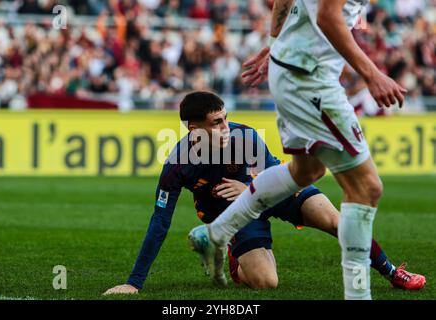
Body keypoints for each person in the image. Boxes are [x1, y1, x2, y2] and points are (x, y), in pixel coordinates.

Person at [103, 91, 424, 295]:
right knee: (267, 283)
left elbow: (275, 178)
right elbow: (160, 221)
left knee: (336, 220)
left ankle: (393, 272)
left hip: (271, 192)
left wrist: (251, 190)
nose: (226, 127)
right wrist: (134, 282)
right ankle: (235, 257)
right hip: (235, 216)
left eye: (225, 118)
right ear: (193, 129)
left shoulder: (246, 137)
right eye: (216, 123)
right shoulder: (177, 165)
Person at [207, 0, 409, 300]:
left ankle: (215, 231)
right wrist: (372, 74)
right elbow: (328, 16)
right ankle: (359, 295)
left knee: (307, 171)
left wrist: (276, 46)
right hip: (310, 78)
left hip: (293, 70)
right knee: (366, 187)